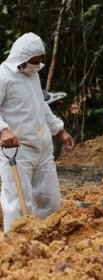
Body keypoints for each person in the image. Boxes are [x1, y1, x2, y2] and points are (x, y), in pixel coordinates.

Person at [0, 32, 75, 233]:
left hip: (42, 149)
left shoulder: (33, 75)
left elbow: (41, 106)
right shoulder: (3, 76)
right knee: (18, 201)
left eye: (39, 62)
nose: (37, 65)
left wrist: (59, 130)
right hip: (16, 151)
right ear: (22, 57)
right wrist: (3, 130)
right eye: (33, 61)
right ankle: (17, 245)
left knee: (50, 200)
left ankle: (45, 240)